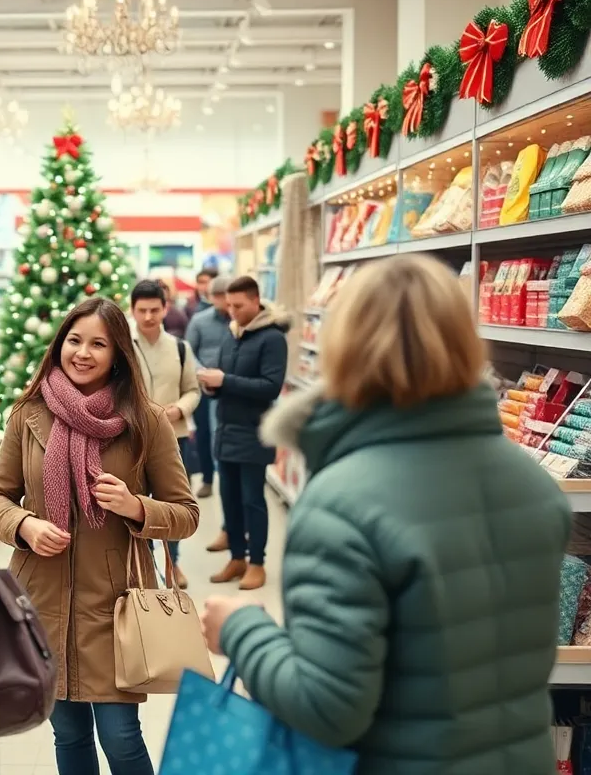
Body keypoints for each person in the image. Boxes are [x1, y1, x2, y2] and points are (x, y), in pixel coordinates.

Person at [201, 254, 570, 774]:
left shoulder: (343, 504)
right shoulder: (531, 482)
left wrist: (242, 630)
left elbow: (328, 710)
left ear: (345, 345)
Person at [0, 296, 198, 775]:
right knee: (68, 733)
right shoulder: (30, 414)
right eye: (74, 340)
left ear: (118, 353)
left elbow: (186, 513)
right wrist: (23, 524)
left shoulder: (145, 420)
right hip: (42, 599)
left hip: (116, 604)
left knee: (121, 738)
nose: (82, 353)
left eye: (98, 344)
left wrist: (135, 506)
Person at [198, 275, 287, 591]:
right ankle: (236, 557)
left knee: (252, 501)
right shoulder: (232, 335)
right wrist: (212, 387)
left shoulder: (273, 339)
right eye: (228, 305)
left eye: (238, 305)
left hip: (253, 433)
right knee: (229, 499)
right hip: (226, 432)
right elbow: (227, 383)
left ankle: (257, 563)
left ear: (255, 300)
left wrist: (225, 381)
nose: (231, 311)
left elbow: (270, 387)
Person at [129, 278, 201, 588]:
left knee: (172, 502)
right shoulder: (122, 349)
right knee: (137, 503)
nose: (148, 317)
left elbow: (193, 390)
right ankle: (144, 562)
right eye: (142, 310)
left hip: (174, 436)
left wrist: (180, 409)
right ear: (132, 310)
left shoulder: (180, 349)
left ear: (165, 309)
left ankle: (174, 562)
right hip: (132, 437)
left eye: (154, 310)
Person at [184, 275, 233, 502]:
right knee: (203, 434)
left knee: (224, 433)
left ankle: (225, 476)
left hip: (231, 385)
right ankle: (207, 478)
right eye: (218, 296)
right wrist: (203, 373)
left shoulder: (237, 320)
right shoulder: (199, 321)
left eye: (226, 295)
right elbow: (188, 352)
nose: (223, 301)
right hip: (204, 387)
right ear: (211, 297)